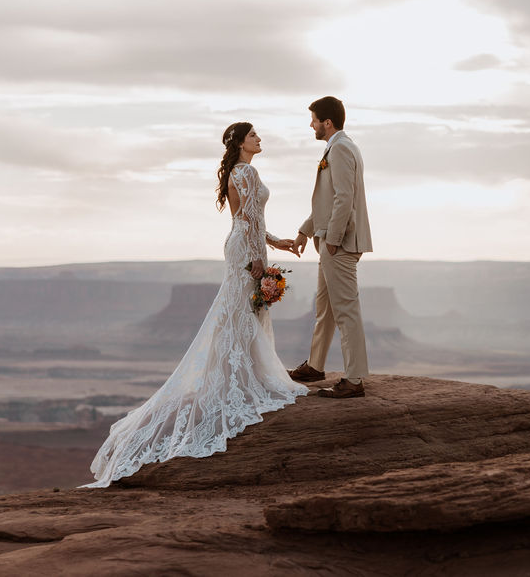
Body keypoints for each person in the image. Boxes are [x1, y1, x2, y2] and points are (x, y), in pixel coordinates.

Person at [82, 122, 305, 488]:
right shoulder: (246, 170)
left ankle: (245, 374)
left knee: (242, 311)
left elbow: (249, 219)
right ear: (240, 143)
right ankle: (245, 378)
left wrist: (275, 242)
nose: (260, 140)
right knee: (242, 311)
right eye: (254, 136)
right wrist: (257, 260)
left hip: (246, 244)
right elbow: (247, 218)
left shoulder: (237, 170)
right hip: (246, 249)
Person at [288, 96, 373, 398]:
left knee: (346, 310)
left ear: (327, 122)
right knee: (324, 308)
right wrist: (303, 231)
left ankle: (354, 379)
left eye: (313, 119)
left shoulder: (340, 148)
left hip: (340, 243)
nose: (310, 124)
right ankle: (315, 365)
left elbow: (343, 198)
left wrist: (333, 241)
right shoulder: (337, 147)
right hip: (329, 240)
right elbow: (327, 201)